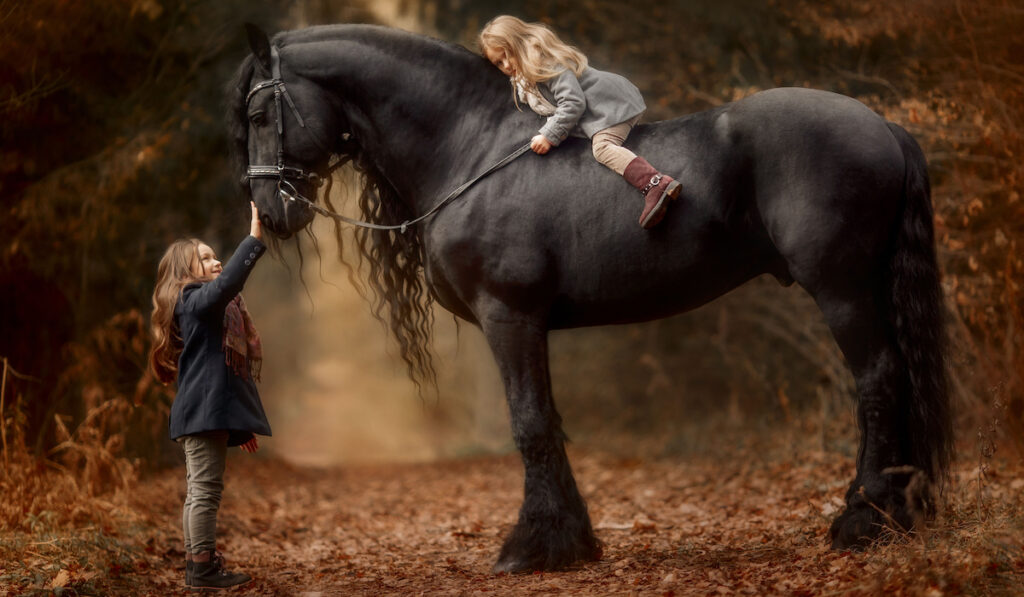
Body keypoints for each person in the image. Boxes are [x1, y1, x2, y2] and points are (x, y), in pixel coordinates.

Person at [149, 202, 270, 590]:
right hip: (200, 415)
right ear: (186, 272)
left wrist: (239, 429)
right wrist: (253, 239)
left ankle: (199, 563)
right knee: (203, 491)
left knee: (202, 489)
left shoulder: (210, 309)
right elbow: (226, 285)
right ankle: (201, 568)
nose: (216, 261)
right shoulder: (193, 301)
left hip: (205, 415)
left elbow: (222, 378)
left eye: (216, 255)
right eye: (206, 258)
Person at [479, 15, 682, 229]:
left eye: (506, 56)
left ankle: (656, 184)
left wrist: (549, 135)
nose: (506, 65)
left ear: (518, 44)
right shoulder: (524, 80)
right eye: (498, 63)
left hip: (611, 105)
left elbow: (573, 102)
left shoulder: (545, 64)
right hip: (597, 111)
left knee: (602, 149)